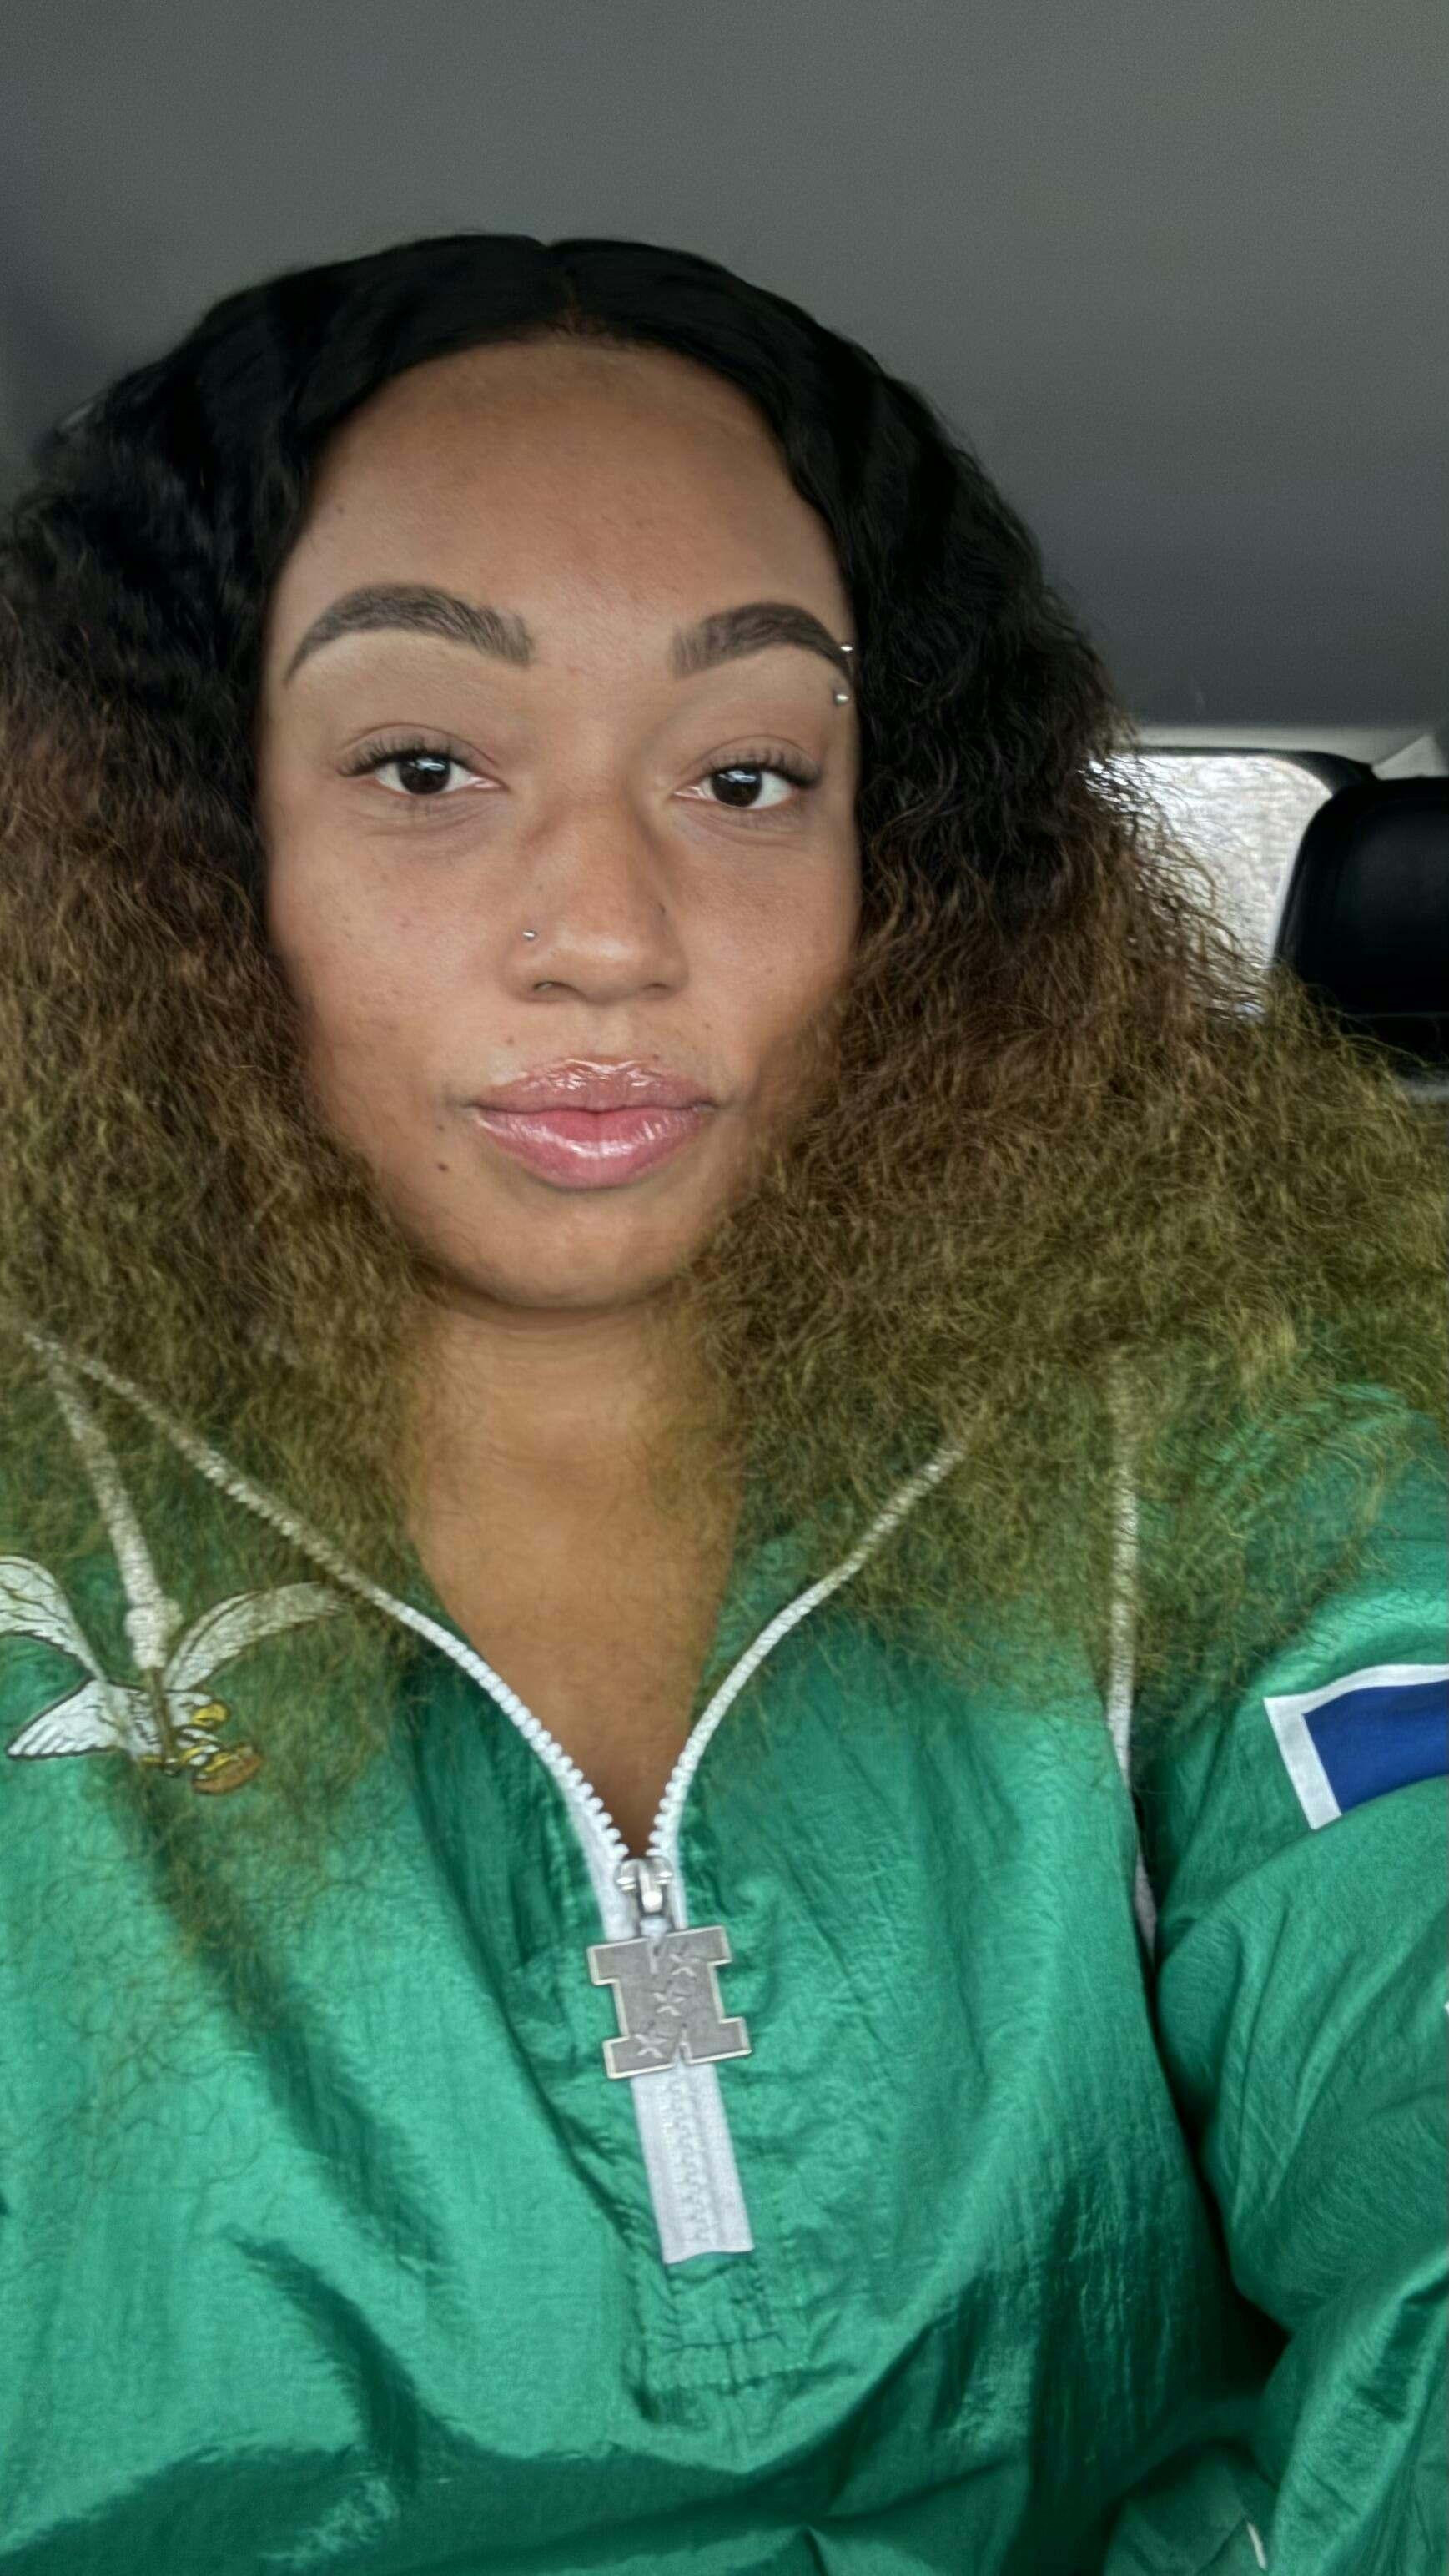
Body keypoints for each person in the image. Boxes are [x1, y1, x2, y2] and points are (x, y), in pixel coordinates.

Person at [0, 232, 1442, 2576]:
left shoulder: (1215, 1456)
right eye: (425, 766)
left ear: (907, 872)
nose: (609, 929)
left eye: (750, 775)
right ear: (173, 844)